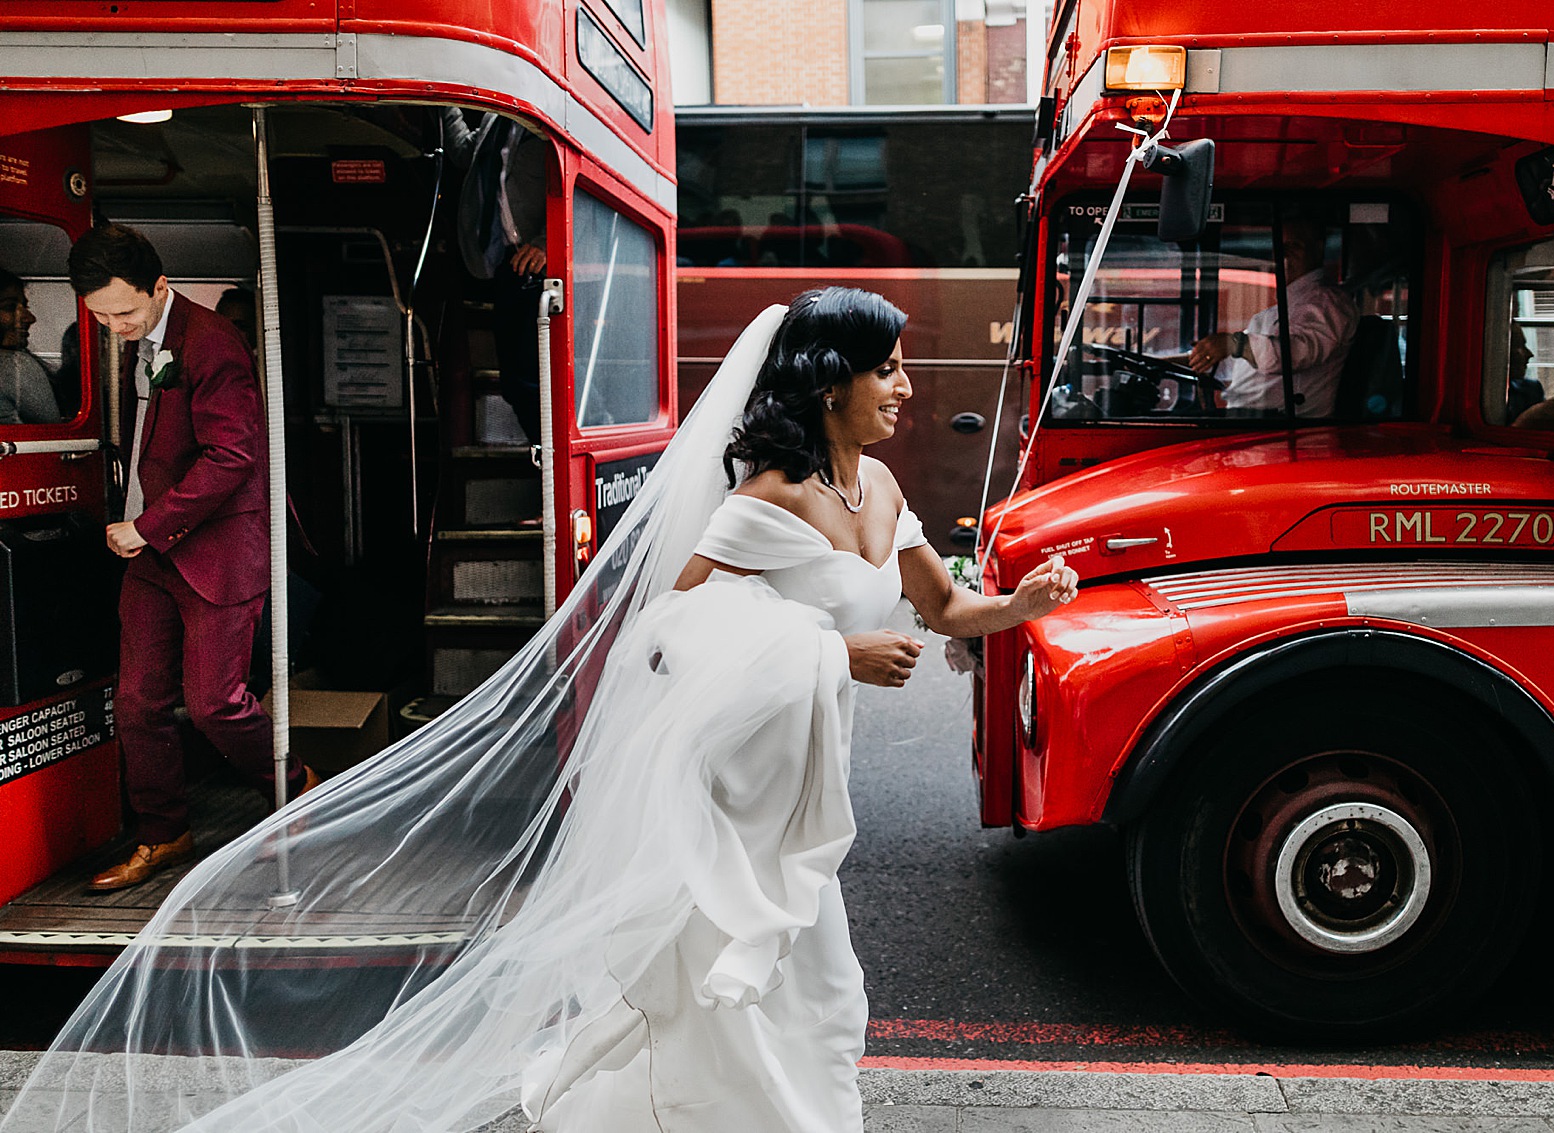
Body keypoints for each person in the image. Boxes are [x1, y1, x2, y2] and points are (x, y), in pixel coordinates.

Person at [2, 289, 1076, 1133]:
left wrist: (1018, 604)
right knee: (755, 953)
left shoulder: (881, 491)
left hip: (801, 772)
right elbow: (667, 633)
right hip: (737, 773)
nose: (902, 382)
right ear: (828, 378)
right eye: (883, 365)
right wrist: (827, 651)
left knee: (804, 960)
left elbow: (942, 607)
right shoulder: (765, 500)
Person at [67, 223, 315, 893]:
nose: (114, 325)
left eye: (124, 311)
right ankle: (163, 833)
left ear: (161, 288)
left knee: (215, 703)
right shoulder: (131, 340)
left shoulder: (210, 343)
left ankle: (298, 790)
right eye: (99, 316)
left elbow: (234, 454)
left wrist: (148, 525)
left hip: (215, 549)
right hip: (152, 553)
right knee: (138, 700)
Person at [443, 105, 547, 447]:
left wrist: (547, 244)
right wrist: (447, 102)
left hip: (544, 269)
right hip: (507, 265)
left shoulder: (549, 120)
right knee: (515, 384)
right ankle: (544, 457)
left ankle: (552, 464)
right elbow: (463, 153)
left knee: (539, 381)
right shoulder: (494, 118)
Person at [1186, 217, 1358, 417]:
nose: (1284, 254)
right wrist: (1192, 358)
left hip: (1281, 424)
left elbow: (1295, 354)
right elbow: (1237, 363)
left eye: (1294, 246)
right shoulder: (1277, 312)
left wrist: (1234, 344)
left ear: (1318, 249)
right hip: (1249, 419)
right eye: (1280, 247)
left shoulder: (1327, 302)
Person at [0, 266, 64, 425]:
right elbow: (54, 438)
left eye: (25, 307)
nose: (30, 318)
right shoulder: (14, 365)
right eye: (9, 307)